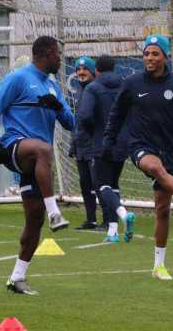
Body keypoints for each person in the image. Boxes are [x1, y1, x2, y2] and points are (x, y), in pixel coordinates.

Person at [103, 35, 173, 281]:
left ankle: (158, 265)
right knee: (155, 168)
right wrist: (109, 140)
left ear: (165, 57)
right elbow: (116, 114)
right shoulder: (132, 83)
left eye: (155, 54)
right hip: (139, 146)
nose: (150, 58)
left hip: (167, 149)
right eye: (146, 54)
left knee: (162, 209)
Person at [0, 35, 75, 295]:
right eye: (57, 53)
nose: (60, 58)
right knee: (43, 148)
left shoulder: (52, 85)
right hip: (15, 147)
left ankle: (17, 278)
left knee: (33, 222)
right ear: (46, 53)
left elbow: (70, 123)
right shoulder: (18, 78)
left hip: (38, 162)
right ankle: (55, 211)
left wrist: (57, 106)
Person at [77, 55, 135, 243]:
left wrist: (92, 131)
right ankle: (112, 231)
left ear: (97, 70)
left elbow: (84, 115)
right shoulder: (125, 85)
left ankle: (124, 214)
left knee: (102, 185)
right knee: (114, 185)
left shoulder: (93, 88)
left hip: (100, 142)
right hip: (122, 142)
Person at [68, 56, 102, 230]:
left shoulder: (96, 90)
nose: (81, 72)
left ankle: (108, 220)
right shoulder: (79, 91)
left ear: (93, 71)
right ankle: (91, 219)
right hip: (81, 146)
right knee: (85, 183)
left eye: (85, 69)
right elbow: (78, 122)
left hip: (94, 146)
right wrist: (73, 144)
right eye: (78, 69)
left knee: (99, 183)